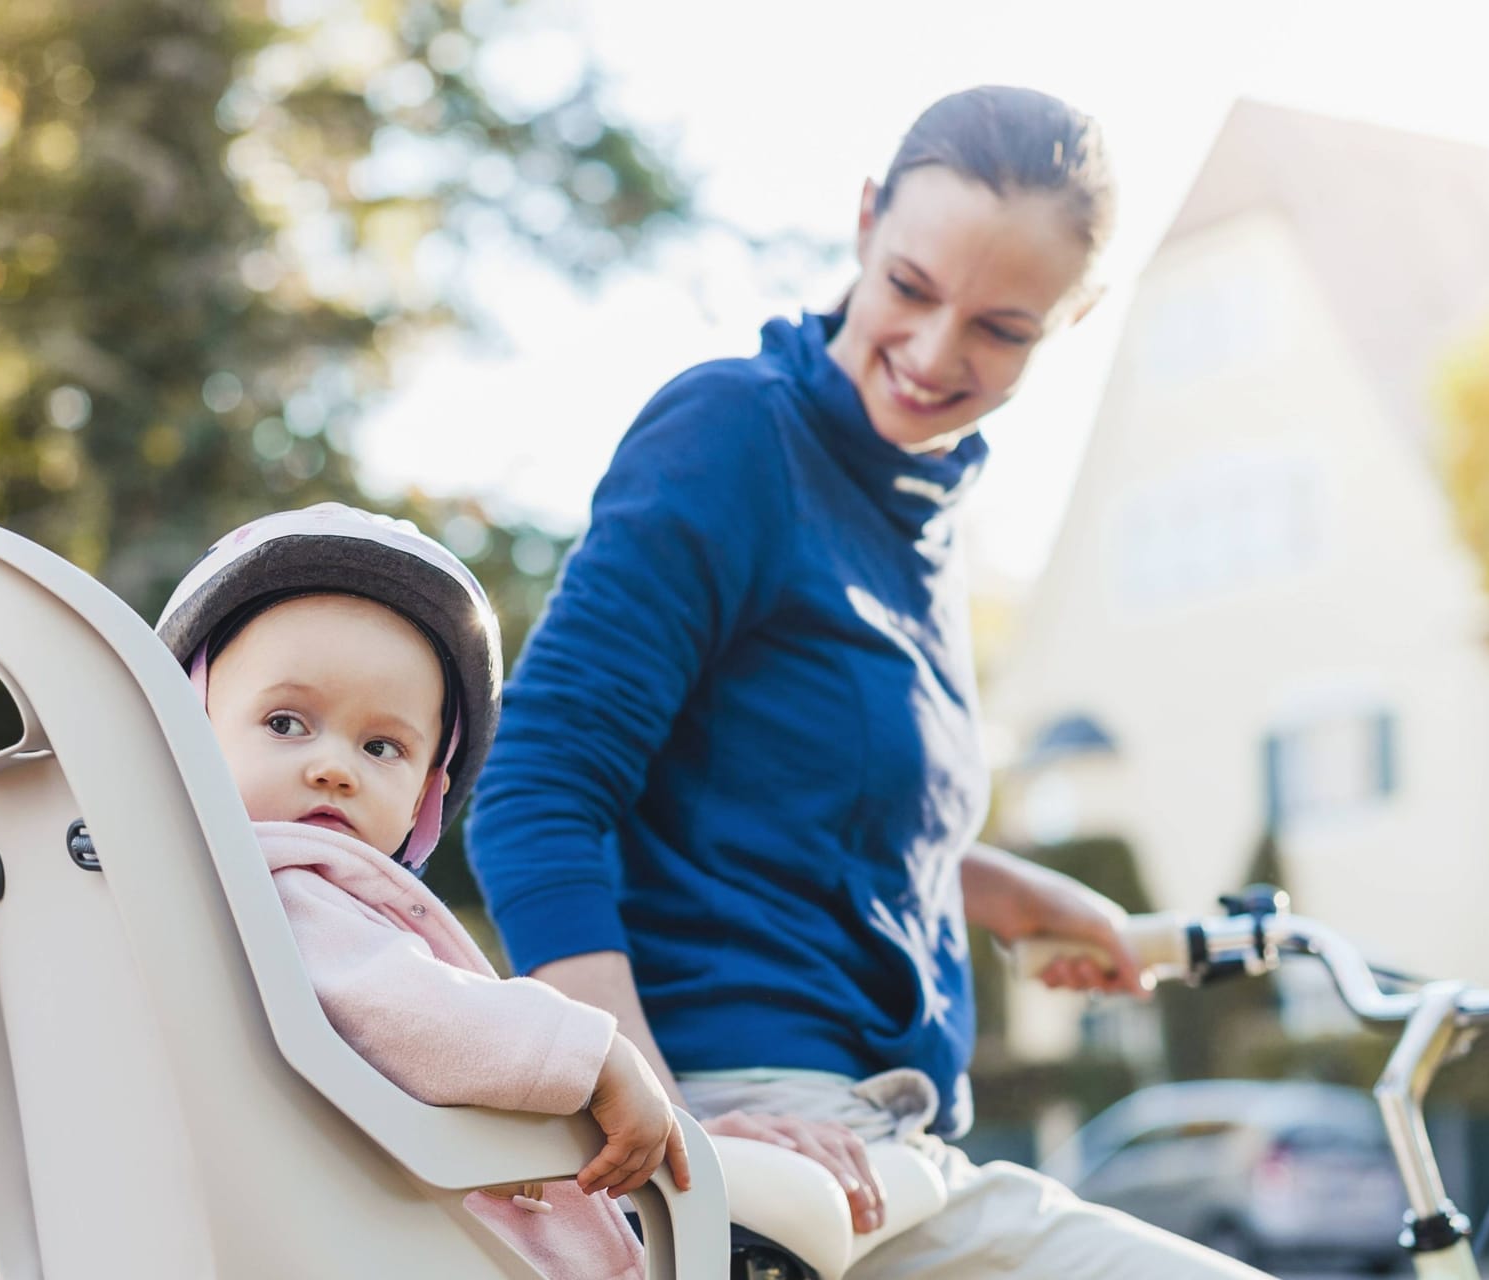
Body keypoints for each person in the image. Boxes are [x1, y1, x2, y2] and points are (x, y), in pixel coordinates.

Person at [467, 88, 1270, 1278]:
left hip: (887, 1139)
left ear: (1073, 315)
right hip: (762, 1137)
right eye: (910, 286)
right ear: (862, 224)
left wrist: (1002, 889)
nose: (937, 352)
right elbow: (535, 789)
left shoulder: (919, 528)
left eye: (1001, 327)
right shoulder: (737, 435)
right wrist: (658, 1120)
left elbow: (783, 810)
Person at [155, 503, 688, 1280]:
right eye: (285, 722)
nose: (334, 767)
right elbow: (403, 1006)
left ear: (421, 799)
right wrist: (595, 1055)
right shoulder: (279, 888)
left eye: (381, 745)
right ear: (188, 734)